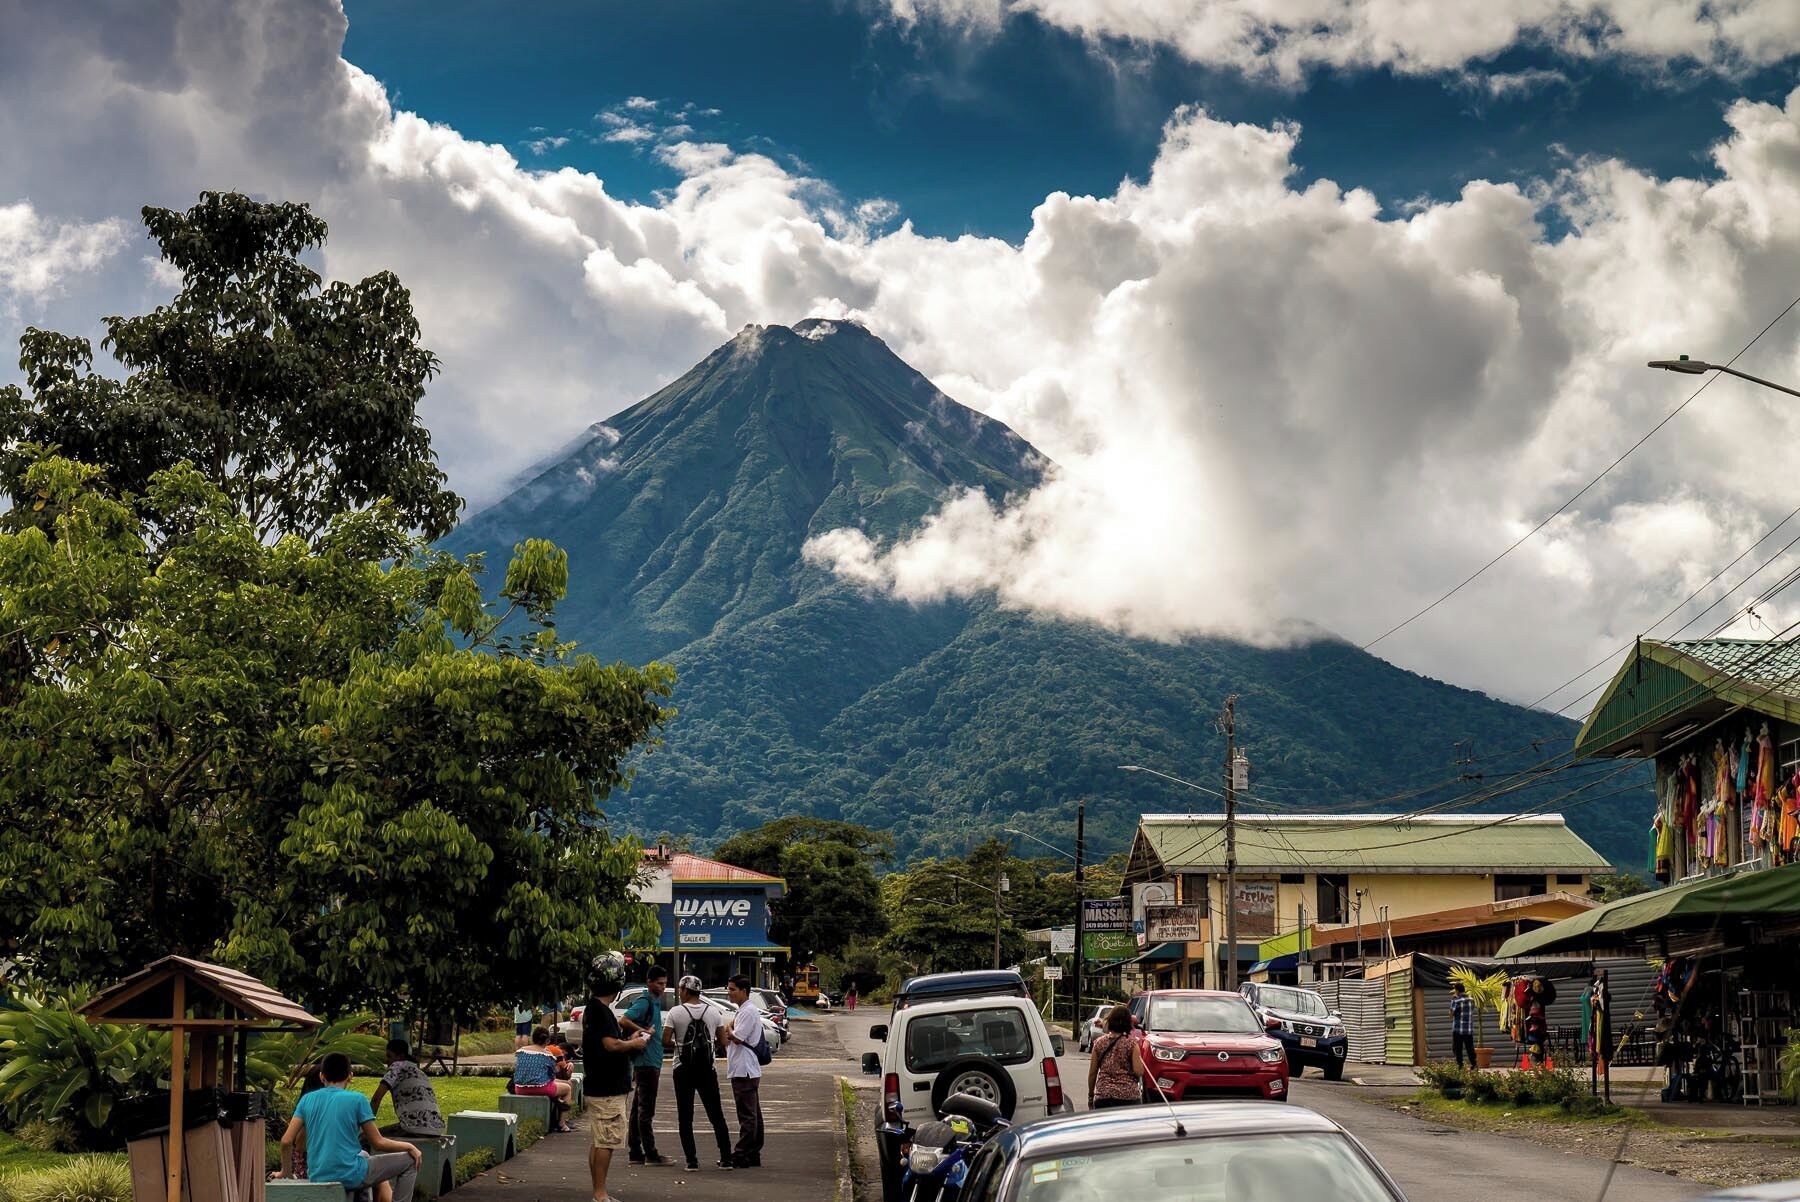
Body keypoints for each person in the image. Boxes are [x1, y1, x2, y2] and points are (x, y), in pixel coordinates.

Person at [275, 1052, 421, 1202]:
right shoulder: (358, 1100)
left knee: (363, 1156)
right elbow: (378, 1142)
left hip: (318, 1175)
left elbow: (286, 1141)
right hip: (351, 1174)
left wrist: (285, 1172)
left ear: (321, 1076)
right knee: (410, 1161)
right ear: (350, 1076)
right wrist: (409, 1146)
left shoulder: (307, 1099)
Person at [586, 952, 653, 1202]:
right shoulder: (600, 1012)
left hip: (602, 1085)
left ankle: (599, 1191)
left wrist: (628, 1040)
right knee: (606, 1141)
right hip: (607, 1088)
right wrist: (633, 1045)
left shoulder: (597, 1009)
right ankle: (600, 1193)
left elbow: (612, 1043)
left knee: (600, 1139)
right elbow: (610, 1046)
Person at [663, 974, 734, 1172]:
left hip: (682, 1069)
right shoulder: (713, 1012)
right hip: (707, 1069)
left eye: (680, 989)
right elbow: (722, 1041)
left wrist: (681, 1044)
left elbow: (665, 1040)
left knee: (685, 1117)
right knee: (716, 1114)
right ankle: (726, 1158)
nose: (679, 992)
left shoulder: (675, 1012)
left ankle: (691, 1161)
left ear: (685, 990)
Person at [621, 965, 669, 1165]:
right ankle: (650, 1152)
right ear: (649, 982)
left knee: (638, 1108)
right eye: (659, 983)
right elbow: (624, 1020)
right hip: (646, 1061)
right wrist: (644, 1031)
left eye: (665, 984)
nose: (663, 987)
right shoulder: (645, 1001)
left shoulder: (655, 1001)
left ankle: (635, 1150)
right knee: (646, 1110)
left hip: (651, 1060)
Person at [723, 974, 765, 1169]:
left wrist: (728, 1029)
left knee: (747, 1115)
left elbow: (737, 1037)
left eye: (732, 989)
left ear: (744, 991)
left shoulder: (748, 1012)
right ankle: (752, 1152)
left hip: (744, 1069)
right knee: (753, 1112)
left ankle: (741, 1153)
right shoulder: (745, 1011)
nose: (729, 993)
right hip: (745, 1068)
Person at [370, 1040, 445, 1138]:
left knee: (367, 1138)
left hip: (413, 1128)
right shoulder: (421, 1073)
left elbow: (376, 1099)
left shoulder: (395, 1070)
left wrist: (368, 1126)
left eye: (389, 1056)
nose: (387, 1060)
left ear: (400, 1057)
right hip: (436, 1128)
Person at [512, 1028, 574, 1131]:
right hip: (541, 1088)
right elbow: (552, 1076)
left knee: (561, 1084)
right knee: (567, 1088)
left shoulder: (520, 1051)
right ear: (547, 1041)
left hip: (519, 1088)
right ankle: (562, 1123)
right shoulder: (547, 1055)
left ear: (533, 1038)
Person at [1086, 1005, 1145, 1109]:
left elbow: (1092, 1073)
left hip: (1103, 1096)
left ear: (1110, 1021)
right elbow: (1139, 1071)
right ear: (1128, 1023)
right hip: (1128, 1097)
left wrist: (1091, 1096)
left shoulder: (1099, 1043)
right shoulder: (1131, 1044)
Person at [1449, 982, 1476, 1070]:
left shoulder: (1456, 1000)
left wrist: (1452, 1001)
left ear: (1457, 990)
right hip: (1468, 1029)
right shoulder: (1472, 1000)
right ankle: (1474, 1064)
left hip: (1458, 1029)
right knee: (1470, 1048)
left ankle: (1460, 1066)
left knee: (1457, 1048)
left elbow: (1451, 1015)